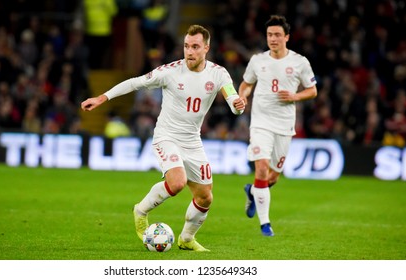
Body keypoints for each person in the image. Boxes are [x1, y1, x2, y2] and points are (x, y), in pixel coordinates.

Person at [81, 25, 246, 251]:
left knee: (205, 197)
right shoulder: (170, 71)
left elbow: (233, 101)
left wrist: (238, 106)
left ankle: (186, 239)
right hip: (166, 137)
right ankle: (141, 210)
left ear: (206, 48)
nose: (190, 51)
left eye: (195, 47)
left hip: (192, 141)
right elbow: (135, 82)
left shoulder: (219, 73)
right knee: (177, 182)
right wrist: (103, 97)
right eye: (187, 46)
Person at [238, 15, 317, 237]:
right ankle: (265, 224)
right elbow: (246, 83)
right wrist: (243, 96)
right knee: (261, 167)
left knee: (272, 177)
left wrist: (295, 96)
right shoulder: (257, 60)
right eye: (270, 35)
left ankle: (252, 192)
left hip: (284, 126)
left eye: (277, 35)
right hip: (260, 123)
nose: (273, 39)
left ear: (287, 37)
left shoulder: (299, 62)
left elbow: (313, 91)